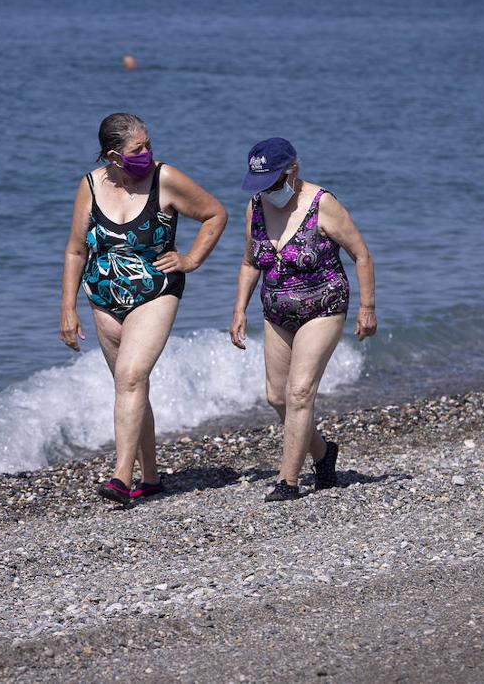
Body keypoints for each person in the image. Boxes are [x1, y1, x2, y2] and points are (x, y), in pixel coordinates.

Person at [61, 113, 227, 504]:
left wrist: (191, 259)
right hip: (102, 296)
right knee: (129, 386)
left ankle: (121, 476)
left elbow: (215, 214)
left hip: (155, 291)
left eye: (149, 144)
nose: (148, 154)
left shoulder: (164, 178)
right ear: (113, 156)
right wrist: (68, 307)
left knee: (132, 377)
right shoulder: (90, 186)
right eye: (138, 149)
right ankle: (150, 477)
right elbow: (75, 250)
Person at [228, 137, 376, 502]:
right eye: (261, 184)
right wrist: (238, 309)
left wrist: (367, 307)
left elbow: (361, 255)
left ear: (292, 171)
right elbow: (250, 262)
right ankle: (324, 454)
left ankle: (288, 481)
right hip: (275, 309)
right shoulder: (255, 207)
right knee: (277, 397)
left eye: (274, 182)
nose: (268, 191)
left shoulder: (323, 204)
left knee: (299, 392)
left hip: (323, 304)